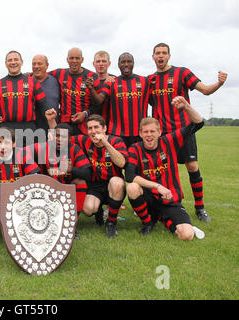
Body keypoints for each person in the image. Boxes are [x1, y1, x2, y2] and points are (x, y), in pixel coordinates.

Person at [149, 43, 228, 222]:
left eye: (164, 53)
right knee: (163, 171)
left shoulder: (182, 73)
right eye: (157, 53)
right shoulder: (150, 80)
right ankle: (161, 205)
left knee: (192, 166)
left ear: (169, 56)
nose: (160, 56)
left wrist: (220, 83)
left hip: (184, 130)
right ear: (153, 57)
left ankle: (200, 207)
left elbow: (206, 90)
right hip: (163, 136)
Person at [125, 96, 205, 241]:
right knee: (132, 188)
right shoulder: (135, 148)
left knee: (186, 235)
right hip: (149, 198)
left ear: (159, 132)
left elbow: (198, 123)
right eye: (145, 132)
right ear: (140, 134)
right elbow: (129, 176)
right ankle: (147, 223)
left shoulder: (170, 141)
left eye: (152, 131)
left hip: (170, 199)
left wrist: (186, 106)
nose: (149, 135)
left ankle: (161, 218)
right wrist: (157, 186)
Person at [72, 115, 128, 237]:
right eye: (90, 128)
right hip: (95, 186)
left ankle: (111, 223)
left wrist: (105, 143)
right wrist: (51, 121)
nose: (93, 131)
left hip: (114, 185)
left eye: (96, 127)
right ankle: (99, 213)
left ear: (104, 129)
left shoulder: (116, 141)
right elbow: (62, 138)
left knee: (116, 182)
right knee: (87, 209)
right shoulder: (85, 141)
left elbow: (122, 163)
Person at [0, 127, 40, 221]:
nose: (3, 146)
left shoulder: (22, 154)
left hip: (21, 197)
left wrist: (26, 200)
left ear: (14, 144)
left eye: (6, 143)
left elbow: (35, 178)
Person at [88, 52, 150, 148]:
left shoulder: (144, 81)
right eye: (123, 62)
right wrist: (91, 88)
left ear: (133, 63)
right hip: (117, 132)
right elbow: (99, 100)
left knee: (137, 161)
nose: (126, 64)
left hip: (138, 132)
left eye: (129, 61)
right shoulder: (112, 81)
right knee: (119, 161)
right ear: (118, 64)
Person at [0, 51, 51, 134]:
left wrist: (51, 131)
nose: (13, 62)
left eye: (16, 59)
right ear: (6, 63)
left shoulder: (33, 82)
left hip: (29, 130)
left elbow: (44, 108)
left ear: (21, 62)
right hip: (5, 130)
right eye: (10, 60)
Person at [49, 47, 103, 135]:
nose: (74, 61)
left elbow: (99, 103)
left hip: (84, 126)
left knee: (82, 148)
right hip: (64, 124)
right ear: (67, 60)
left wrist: (85, 114)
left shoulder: (92, 76)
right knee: (64, 148)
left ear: (82, 60)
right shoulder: (59, 73)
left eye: (77, 58)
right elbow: (42, 75)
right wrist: (28, 75)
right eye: (71, 58)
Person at [31, 54, 61, 131]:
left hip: (53, 128)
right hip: (31, 131)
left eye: (40, 63)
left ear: (47, 65)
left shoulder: (56, 81)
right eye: (34, 64)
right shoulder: (26, 82)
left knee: (60, 143)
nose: (36, 66)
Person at [91, 50, 116, 120]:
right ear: (93, 63)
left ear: (109, 63)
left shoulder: (115, 80)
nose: (101, 64)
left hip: (111, 121)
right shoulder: (89, 81)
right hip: (93, 121)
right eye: (98, 61)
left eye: (104, 61)